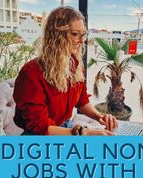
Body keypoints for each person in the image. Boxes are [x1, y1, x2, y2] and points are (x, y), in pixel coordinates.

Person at [13, 6, 118, 136]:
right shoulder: (31, 73)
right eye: (75, 34)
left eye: (83, 35)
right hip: (40, 136)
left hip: (66, 127)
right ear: (57, 35)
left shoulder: (74, 65)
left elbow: (82, 100)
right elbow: (39, 126)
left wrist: (99, 116)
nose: (81, 41)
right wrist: (83, 133)